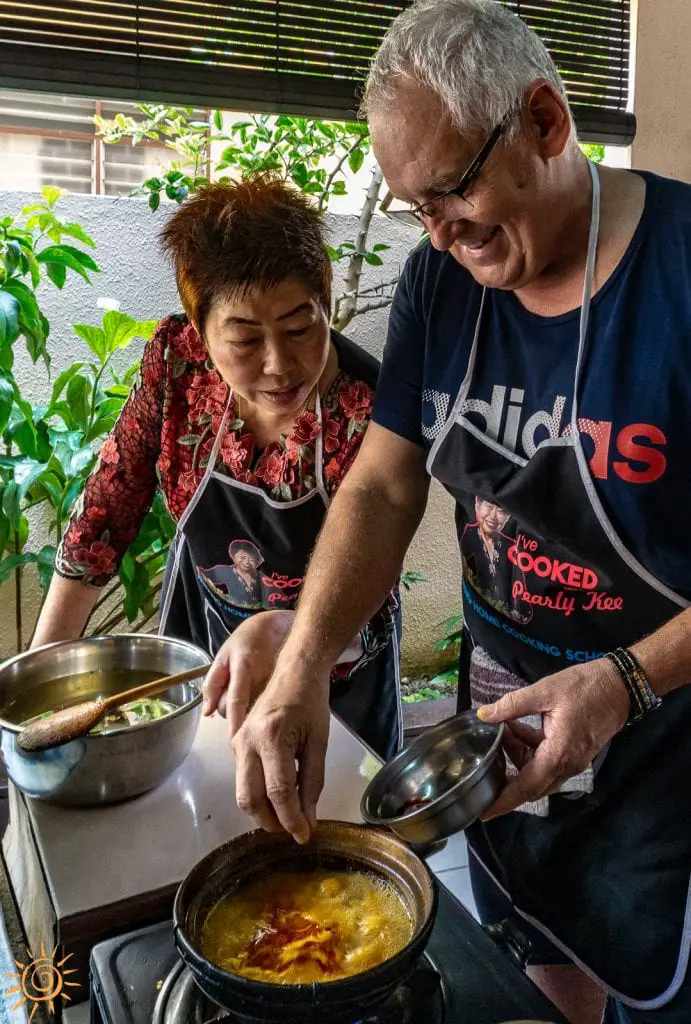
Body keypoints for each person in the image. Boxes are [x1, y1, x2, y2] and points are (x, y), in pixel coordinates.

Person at [227, 2, 691, 1022]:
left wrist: (623, 681)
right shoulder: (441, 280)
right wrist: (304, 662)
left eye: (453, 191)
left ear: (542, 119)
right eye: (413, 208)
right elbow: (387, 484)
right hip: (497, 731)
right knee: (535, 965)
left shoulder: (682, 273)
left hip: (664, 738)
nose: (438, 235)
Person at [31, 175, 402, 761]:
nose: (279, 365)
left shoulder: (375, 407)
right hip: (204, 646)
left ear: (326, 301)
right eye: (245, 340)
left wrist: (290, 639)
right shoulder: (176, 364)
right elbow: (106, 511)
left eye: (300, 328)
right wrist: (38, 685)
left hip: (340, 672)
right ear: (199, 332)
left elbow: (374, 571)